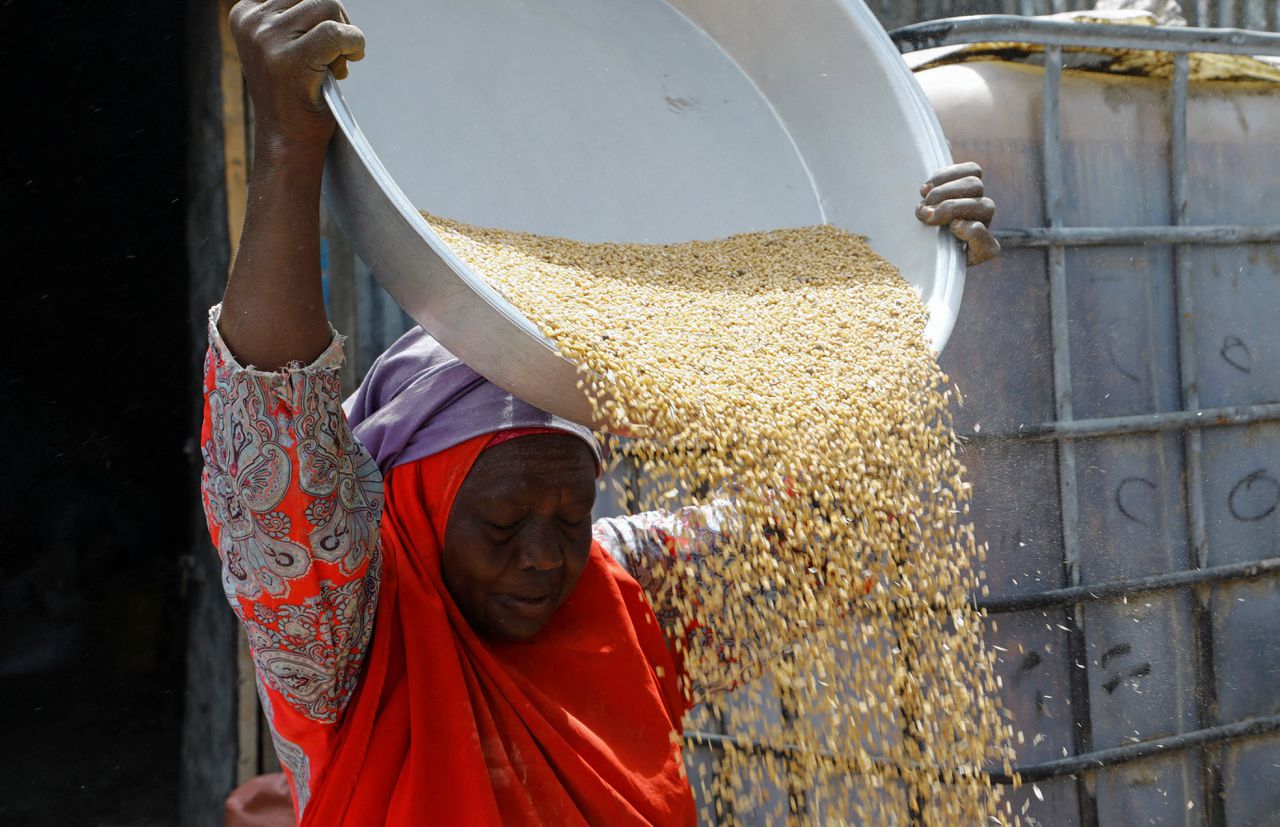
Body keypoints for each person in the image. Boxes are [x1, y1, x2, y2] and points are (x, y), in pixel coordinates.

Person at [205, 2, 1002, 824]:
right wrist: (288, 147)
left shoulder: (621, 590)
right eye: (505, 521)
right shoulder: (348, 627)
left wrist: (911, 285)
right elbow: (272, 415)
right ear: (421, 501)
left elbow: (843, 520)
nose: (545, 558)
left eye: (572, 513)